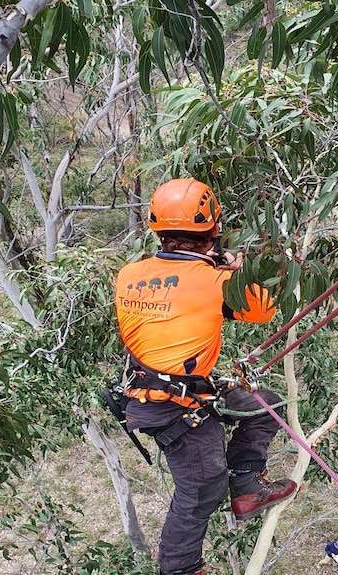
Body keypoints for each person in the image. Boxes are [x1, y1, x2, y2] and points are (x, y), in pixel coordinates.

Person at [114, 178, 297, 575]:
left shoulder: (129, 274)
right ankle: (179, 569)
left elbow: (173, 296)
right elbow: (262, 310)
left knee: (265, 406)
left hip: (157, 392)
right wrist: (238, 268)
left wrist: (213, 265)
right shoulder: (215, 282)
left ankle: (247, 485)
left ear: (157, 229)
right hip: (173, 408)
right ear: (213, 230)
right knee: (201, 490)